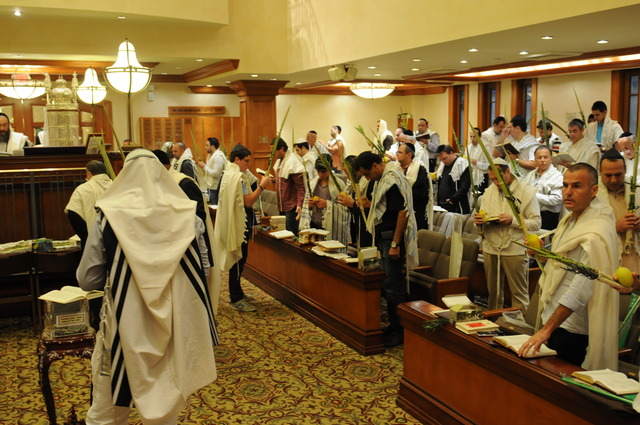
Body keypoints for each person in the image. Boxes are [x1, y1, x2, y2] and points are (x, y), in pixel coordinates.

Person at [77, 149, 218, 425]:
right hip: (174, 326)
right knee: (166, 406)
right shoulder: (189, 216)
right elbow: (202, 270)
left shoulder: (107, 217)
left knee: (107, 412)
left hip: (122, 328)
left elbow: (87, 279)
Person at [519, 163, 618, 370]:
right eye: (565, 185)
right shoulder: (570, 219)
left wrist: (547, 329)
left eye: (577, 186)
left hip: (572, 327)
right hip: (553, 318)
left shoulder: (596, 231)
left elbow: (580, 288)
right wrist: (542, 255)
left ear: (593, 190)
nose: (568, 192)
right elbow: (562, 264)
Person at [356, 151, 418, 348]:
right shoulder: (381, 180)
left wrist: (395, 244)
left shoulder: (391, 179)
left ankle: (399, 332)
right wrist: (367, 204)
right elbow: (384, 208)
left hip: (392, 239)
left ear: (376, 165)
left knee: (393, 286)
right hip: (384, 237)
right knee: (387, 284)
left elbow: (402, 212)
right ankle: (392, 327)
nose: (367, 178)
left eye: (367, 173)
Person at [473, 158, 541, 313]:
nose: (496, 183)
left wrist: (513, 221)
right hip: (491, 247)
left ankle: (521, 324)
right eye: (492, 179)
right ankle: (494, 322)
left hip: (514, 248)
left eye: (499, 178)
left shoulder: (526, 191)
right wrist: (479, 222)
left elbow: (536, 223)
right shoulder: (489, 192)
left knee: (519, 294)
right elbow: (481, 221)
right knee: (493, 293)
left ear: (508, 171)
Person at [214, 144, 271, 312]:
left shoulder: (229, 173)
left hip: (233, 221)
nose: (248, 164)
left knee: (239, 259)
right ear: (237, 159)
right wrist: (262, 186)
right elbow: (248, 201)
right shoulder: (237, 177)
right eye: (246, 161)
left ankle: (238, 292)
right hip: (238, 224)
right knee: (238, 259)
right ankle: (236, 297)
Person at [596, 149, 640, 272]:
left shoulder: (636, 189)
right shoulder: (591, 194)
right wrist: (615, 228)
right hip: (607, 260)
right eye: (608, 175)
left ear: (625, 170)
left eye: (618, 175)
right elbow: (583, 229)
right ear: (600, 172)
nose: (613, 180)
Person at [300, 156, 349, 246]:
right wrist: (310, 205)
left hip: (330, 227)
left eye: (324, 171)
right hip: (314, 224)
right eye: (318, 171)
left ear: (330, 167)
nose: (321, 174)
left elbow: (345, 208)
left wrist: (327, 204)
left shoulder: (339, 184)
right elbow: (307, 208)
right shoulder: (312, 184)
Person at [65, 160, 112, 248]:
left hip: (92, 241)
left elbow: (72, 213)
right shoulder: (116, 186)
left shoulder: (82, 189)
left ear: (89, 173)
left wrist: (86, 237)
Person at [522, 146, 563, 230]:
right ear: (535, 160)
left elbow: (557, 199)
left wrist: (534, 196)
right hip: (530, 214)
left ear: (551, 159)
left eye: (545, 157)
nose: (542, 160)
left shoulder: (558, 176)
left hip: (548, 216)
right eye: (539, 157)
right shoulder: (531, 174)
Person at [338, 156, 374, 248]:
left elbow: (372, 210)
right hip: (358, 229)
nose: (347, 177)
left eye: (348, 173)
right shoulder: (355, 184)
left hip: (369, 230)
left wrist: (352, 203)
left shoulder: (369, 183)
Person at [272, 137, 305, 234]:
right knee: (283, 234)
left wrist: (299, 204)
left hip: (292, 206)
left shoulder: (292, 161)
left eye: (274, 150)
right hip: (282, 205)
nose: (272, 153)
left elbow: (300, 187)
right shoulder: (280, 161)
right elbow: (283, 180)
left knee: (291, 234)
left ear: (281, 149)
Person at [397, 142, 429, 229]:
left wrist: (402, 195)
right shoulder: (395, 168)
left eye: (400, 152)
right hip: (396, 212)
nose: (397, 154)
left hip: (415, 210)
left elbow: (422, 192)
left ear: (409, 154)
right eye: (397, 152)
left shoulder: (419, 169)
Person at [435, 145, 471, 214]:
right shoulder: (443, 165)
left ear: (451, 153)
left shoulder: (463, 164)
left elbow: (465, 186)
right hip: (443, 204)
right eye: (441, 160)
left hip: (456, 204)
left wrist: (453, 199)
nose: (443, 162)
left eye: (445, 158)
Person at [198, 137, 227, 204]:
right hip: (210, 186)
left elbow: (216, 173)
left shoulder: (218, 157)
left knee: (214, 206)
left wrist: (204, 167)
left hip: (215, 187)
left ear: (212, 146)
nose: (205, 147)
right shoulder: (210, 155)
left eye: (207, 145)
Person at [467, 127, 489, 194]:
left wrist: (477, 163)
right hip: (471, 175)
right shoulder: (469, 147)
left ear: (480, 136)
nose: (472, 139)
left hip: (482, 177)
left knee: (480, 197)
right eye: (471, 137)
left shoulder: (486, 147)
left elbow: (489, 165)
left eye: (474, 137)